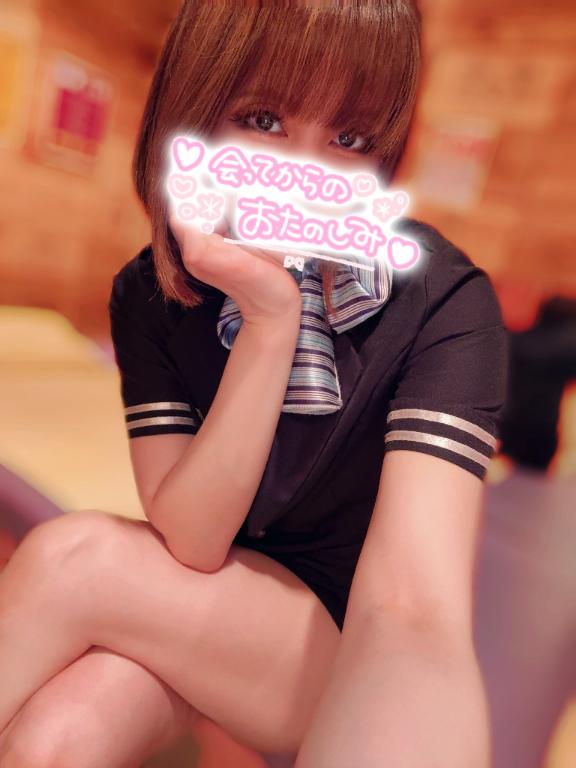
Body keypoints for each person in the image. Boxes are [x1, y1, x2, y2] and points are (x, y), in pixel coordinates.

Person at [0, 2, 508, 767]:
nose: (305, 178)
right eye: (263, 120)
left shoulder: (443, 301)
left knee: (71, 559)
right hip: (206, 604)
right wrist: (270, 321)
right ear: (192, 112)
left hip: (339, 656)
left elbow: (410, 613)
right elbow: (195, 542)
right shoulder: (148, 295)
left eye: (350, 139)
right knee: (56, 740)